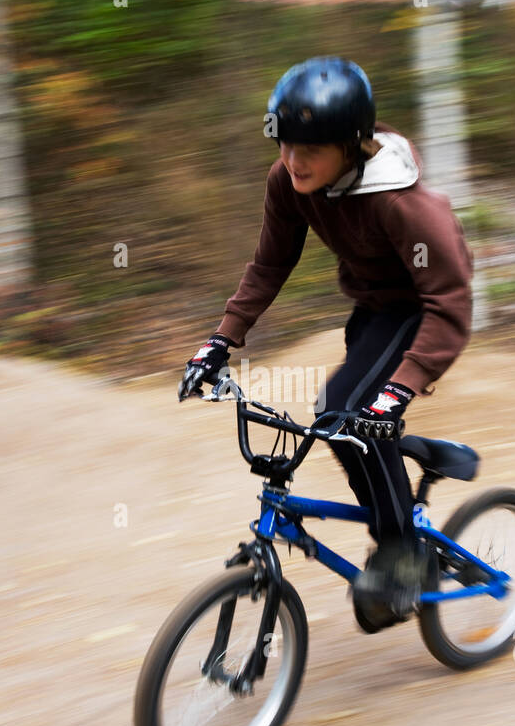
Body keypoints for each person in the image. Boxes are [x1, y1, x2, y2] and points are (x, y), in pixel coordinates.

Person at [178, 57, 473, 633]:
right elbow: (269, 266)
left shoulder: (404, 204)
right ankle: (400, 477)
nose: (293, 160)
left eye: (311, 148)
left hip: (423, 311)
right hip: (371, 311)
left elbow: (452, 304)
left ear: (352, 144)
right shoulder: (288, 184)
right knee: (340, 417)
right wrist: (219, 341)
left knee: (352, 411)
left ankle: (402, 552)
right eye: (286, 144)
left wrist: (400, 388)